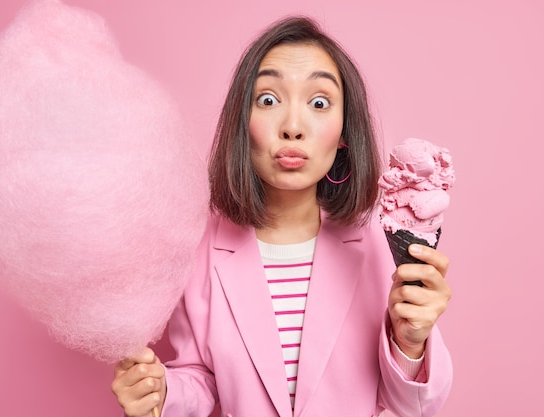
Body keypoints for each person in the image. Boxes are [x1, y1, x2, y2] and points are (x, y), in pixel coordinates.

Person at [111, 16, 452, 417]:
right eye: (268, 100)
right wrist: (161, 392)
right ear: (243, 122)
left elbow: (411, 407)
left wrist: (410, 345)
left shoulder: (381, 244)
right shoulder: (199, 249)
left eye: (319, 102)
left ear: (344, 131)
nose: (292, 127)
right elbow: (201, 376)